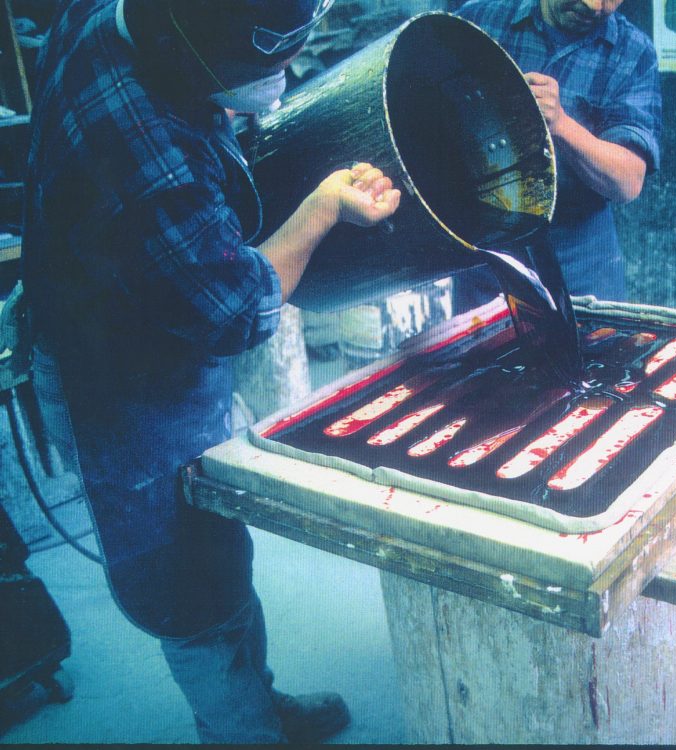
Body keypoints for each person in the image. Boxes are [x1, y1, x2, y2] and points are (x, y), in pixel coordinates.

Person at [19, 0, 400, 743]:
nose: (281, 81)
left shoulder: (106, 15)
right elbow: (238, 309)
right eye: (255, 71)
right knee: (187, 585)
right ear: (183, 48)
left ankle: (252, 704)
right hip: (124, 391)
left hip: (127, 327)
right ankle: (241, 733)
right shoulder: (146, 154)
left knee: (218, 553)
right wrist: (321, 209)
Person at [452, 0, 662, 304]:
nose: (593, 5)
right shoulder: (479, 19)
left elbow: (628, 182)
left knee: (591, 350)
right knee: (483, 350)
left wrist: (562, 124)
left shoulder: (633, 52)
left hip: (581, 268)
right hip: (486, 260)